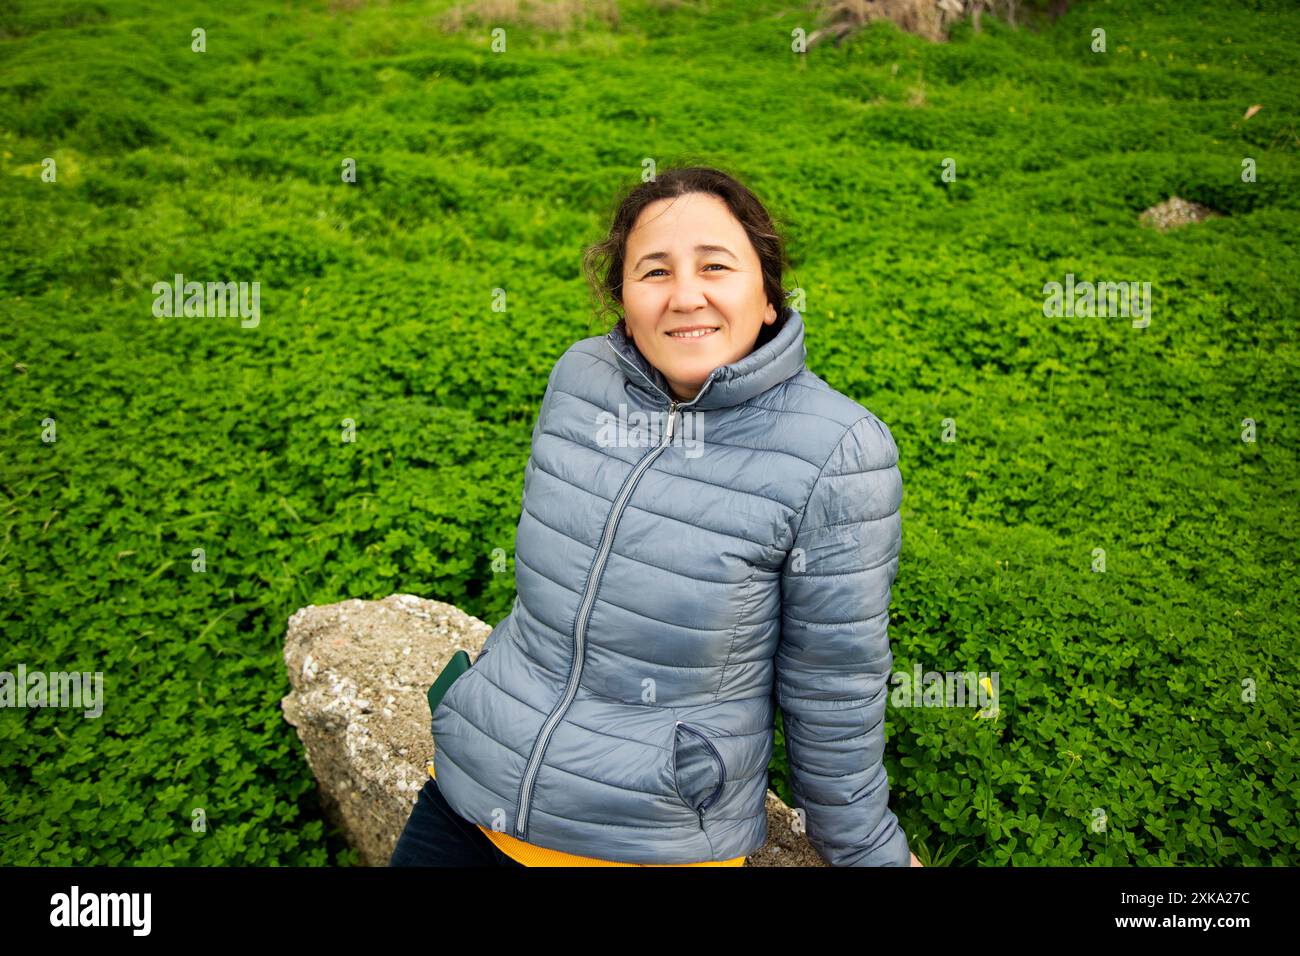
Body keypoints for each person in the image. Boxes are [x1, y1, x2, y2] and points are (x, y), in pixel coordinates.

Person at [392, 165, 922, 867]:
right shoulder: (580, 379)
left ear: (768, 296)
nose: (685, 297)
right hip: (471, 790)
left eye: (715, 266)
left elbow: (832, 685)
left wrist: (868, 854)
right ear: (623, 297)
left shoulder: (837, 451)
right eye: (654, 272)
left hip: (647, 838)